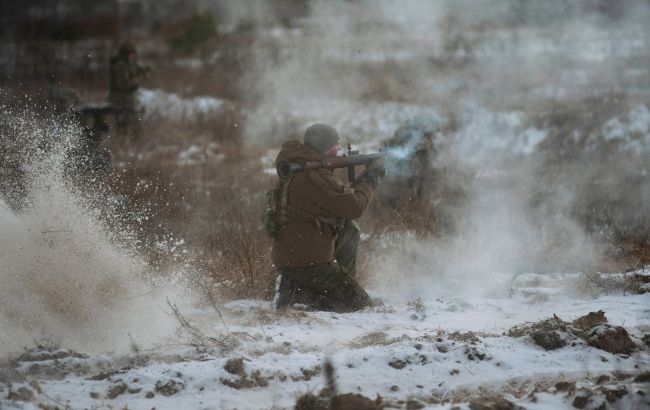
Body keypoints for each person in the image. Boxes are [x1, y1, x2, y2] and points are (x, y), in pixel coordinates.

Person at [271, 123, 385, 312]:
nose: (339, 149)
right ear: (325, 147)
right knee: (361, 306)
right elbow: (353, 207)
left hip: (292, 258)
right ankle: (302, 294)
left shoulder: (299, 167)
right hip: (309, 263)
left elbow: (338, 205)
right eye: (336, 145)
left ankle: (297, 290)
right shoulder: (313, 175)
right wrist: (369, 181)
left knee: (349, 228)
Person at [108, 42, 149, 139]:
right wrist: (139, 76)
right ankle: (130, 145)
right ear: (125, 54)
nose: (132, 56)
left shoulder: (125, 64)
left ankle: (126, 145)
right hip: (122, 99)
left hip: (123, 98)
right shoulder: (120, 65)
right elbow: (124, 84)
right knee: (129, 124)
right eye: (130, 54)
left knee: (125, 124)